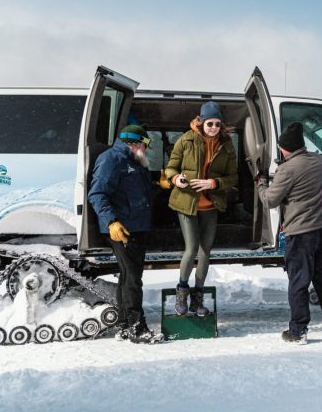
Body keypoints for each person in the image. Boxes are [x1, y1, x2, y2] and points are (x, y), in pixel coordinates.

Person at [257, 122, 322, 344]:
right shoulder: (318, 160)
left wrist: (261, 183)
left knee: (299, 282)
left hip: (301, 233)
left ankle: (298, 331)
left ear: (285, 148)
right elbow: (302, 177)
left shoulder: (287, 169)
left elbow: (270, 199)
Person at [88, 124, 161, 344]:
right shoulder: (112, 160)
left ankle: (125, 325)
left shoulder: (133, 161)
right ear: (136, 143)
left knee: (127, 277)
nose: (147, 149)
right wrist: (112, 222)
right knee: (132, 279)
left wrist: (160, 184)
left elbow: (139, 192)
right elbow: (97, 194)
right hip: (123, 230)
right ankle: (138, 328)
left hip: (136, 227)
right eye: (146, 144)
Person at [165, 101, 238, 316]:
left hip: (210, 205)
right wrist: (176, 178)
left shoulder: (226, 144)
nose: (213, 128)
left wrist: (213, 183)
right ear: (201, 122)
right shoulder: (186, 139)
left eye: (217, 124)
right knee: (191, 249)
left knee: (205, 251)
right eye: (209, 123)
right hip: (187, 204)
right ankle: (182, 292)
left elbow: (232, 176)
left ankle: (198, 298)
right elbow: (170, 167)